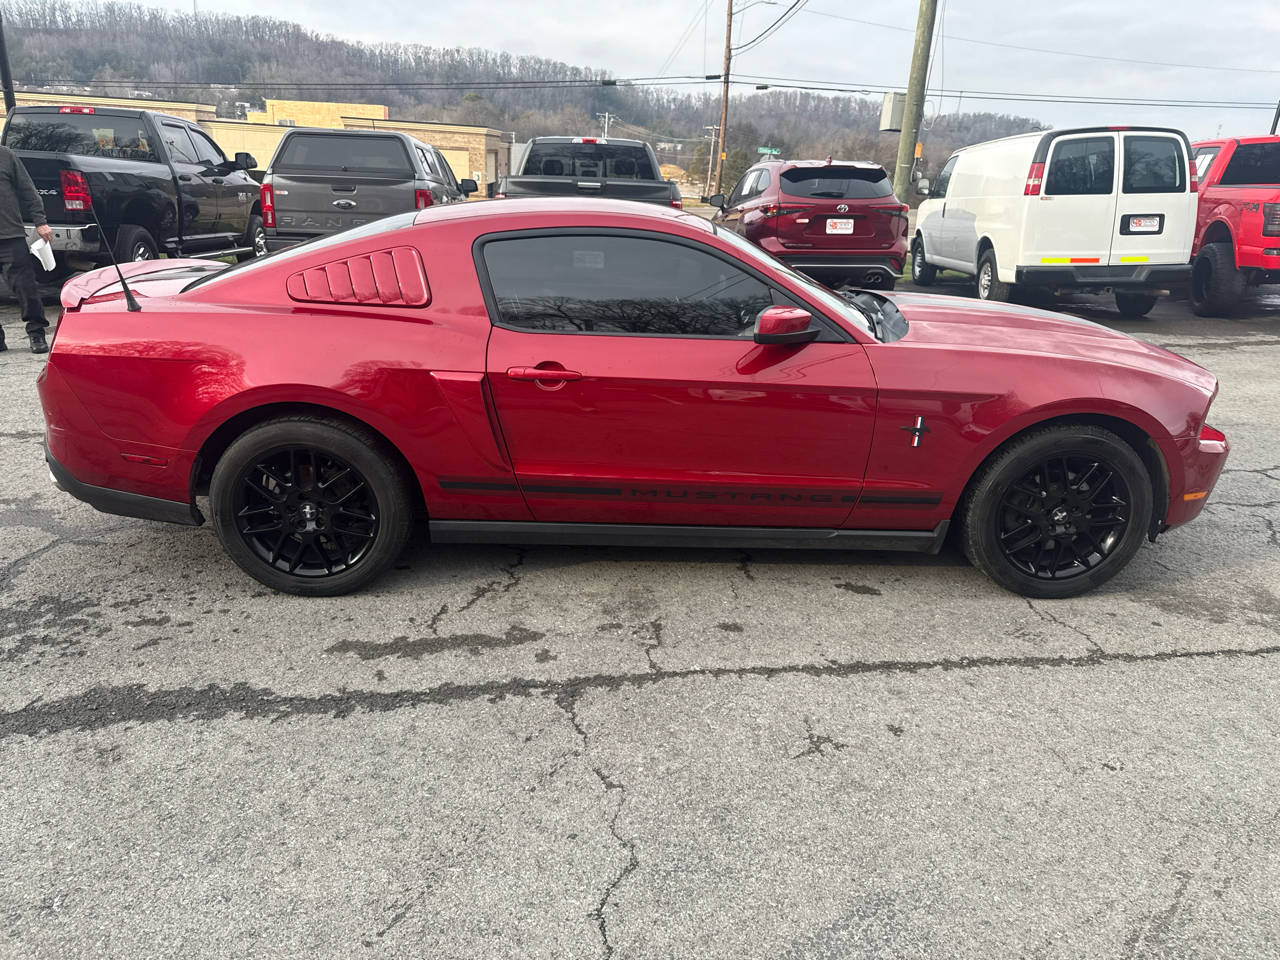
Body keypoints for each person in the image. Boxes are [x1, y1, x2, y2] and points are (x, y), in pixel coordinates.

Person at [0, 142, 52, 354]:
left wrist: (40, 221)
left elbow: (28, 191)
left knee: (25, 287)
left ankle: (36, 332)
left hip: (9, 235)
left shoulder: (5, 156)